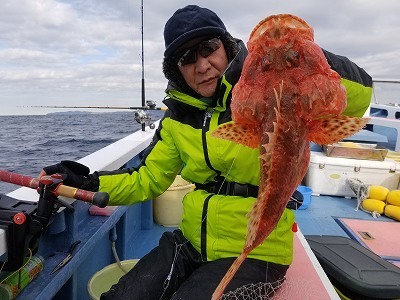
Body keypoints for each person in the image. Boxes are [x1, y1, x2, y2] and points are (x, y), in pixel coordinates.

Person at [40, 5, 372, 300]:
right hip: (190, 242)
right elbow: (148, 179)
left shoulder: (272, 93)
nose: (203, 65)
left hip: (260, 252)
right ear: (177, 70)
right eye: (187, 58)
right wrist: (89, 182)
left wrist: (304, 53)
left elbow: (361, 95)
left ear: (227, 48)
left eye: (209, 48)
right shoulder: (176, 119)